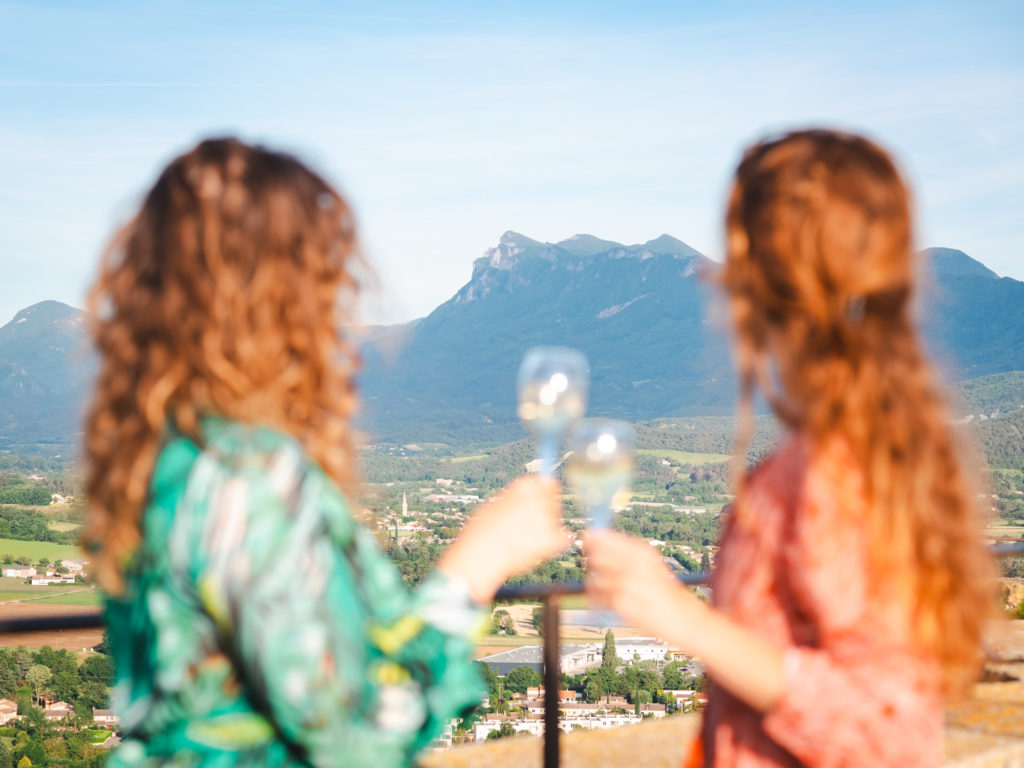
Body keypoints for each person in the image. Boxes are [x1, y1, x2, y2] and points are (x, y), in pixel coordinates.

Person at [83, 138, 567, 767]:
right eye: (326, 277)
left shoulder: (161, 457)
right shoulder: (244, 478)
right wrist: (480, 561)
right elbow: (356, 737)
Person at [585, 129, 996, 768]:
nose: (707, 271)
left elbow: (888, 730)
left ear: (768, 281)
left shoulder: (832, 470)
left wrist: (680, 617)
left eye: (732, 252)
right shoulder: (865, 440)